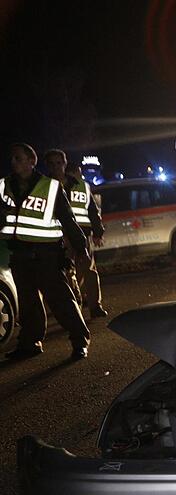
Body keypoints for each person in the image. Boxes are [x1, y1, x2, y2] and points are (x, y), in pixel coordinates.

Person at [0, 143, 90, 361]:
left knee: (61, 301)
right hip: (19, 254)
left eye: (18, 158)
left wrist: (81, 248)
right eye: (12, 158)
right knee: (28, 303)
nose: (13, 162)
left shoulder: (50, 187)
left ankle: (80, 341)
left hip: (46, 254)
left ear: (32, 161)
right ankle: (30, 343)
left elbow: (67, 219)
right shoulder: (4, 186)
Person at [43, 149, 107, 318]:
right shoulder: (43, 187)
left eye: (59, 163)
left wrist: (98, 232)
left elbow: (92, 210)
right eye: (52, 164)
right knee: (68, 274)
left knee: (89, 271)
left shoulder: (81, 185)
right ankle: (75, 308)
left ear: (65, 164)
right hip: (59, 236)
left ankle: (95, 306)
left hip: (82, 234)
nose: (56, 167)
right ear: (47, 166)